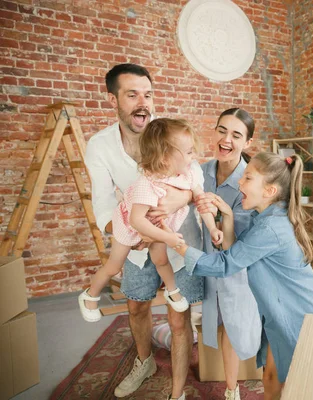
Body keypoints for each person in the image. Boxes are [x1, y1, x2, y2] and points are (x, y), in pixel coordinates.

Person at [85, 64, 204, 400]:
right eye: (132, 94)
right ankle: (144, 361)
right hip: (134, 239)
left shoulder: (168, 130)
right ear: (113, 99)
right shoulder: (99, 145)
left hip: (177, 234)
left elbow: (196, 178)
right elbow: (103, 206)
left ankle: (177, 391)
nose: (143, 102)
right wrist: (141, 235)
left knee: (179, 316)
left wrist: (172, 204)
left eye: (148, 94)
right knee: (136, 306)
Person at [171, 152, 313, 400]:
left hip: (296, 316)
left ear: (269, 191)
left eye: (247, 178)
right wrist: (229, 217)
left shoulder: (270, 228)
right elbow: (238, 253)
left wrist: (178, 247)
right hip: (280, 313)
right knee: (270, 377)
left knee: (298, 385)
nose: (239, 183)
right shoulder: (265, 217)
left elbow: (226, 264)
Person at [79, 118, 223, 322]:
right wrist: (168, 237)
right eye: (189, 152)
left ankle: (172, 291)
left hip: (156, 228)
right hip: (129, 226)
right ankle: (89, 296)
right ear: (166, 158)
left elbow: (201, 200)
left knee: (161, 260)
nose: (195, 156)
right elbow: (136, 221)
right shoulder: (147, 184)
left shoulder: (187, 173)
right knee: (113, 266)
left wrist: (211, 226)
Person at [194, 108, 261, 400]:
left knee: (233, 324)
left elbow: (241, 240)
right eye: (222, 130)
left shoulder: (250, 181)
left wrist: (222, 220)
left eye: (236, 135)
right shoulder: (200, 171)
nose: (226, 139)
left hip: (238, 267)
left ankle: (232, 390)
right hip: (206, 260)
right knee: (213, 320)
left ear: (247, 143)